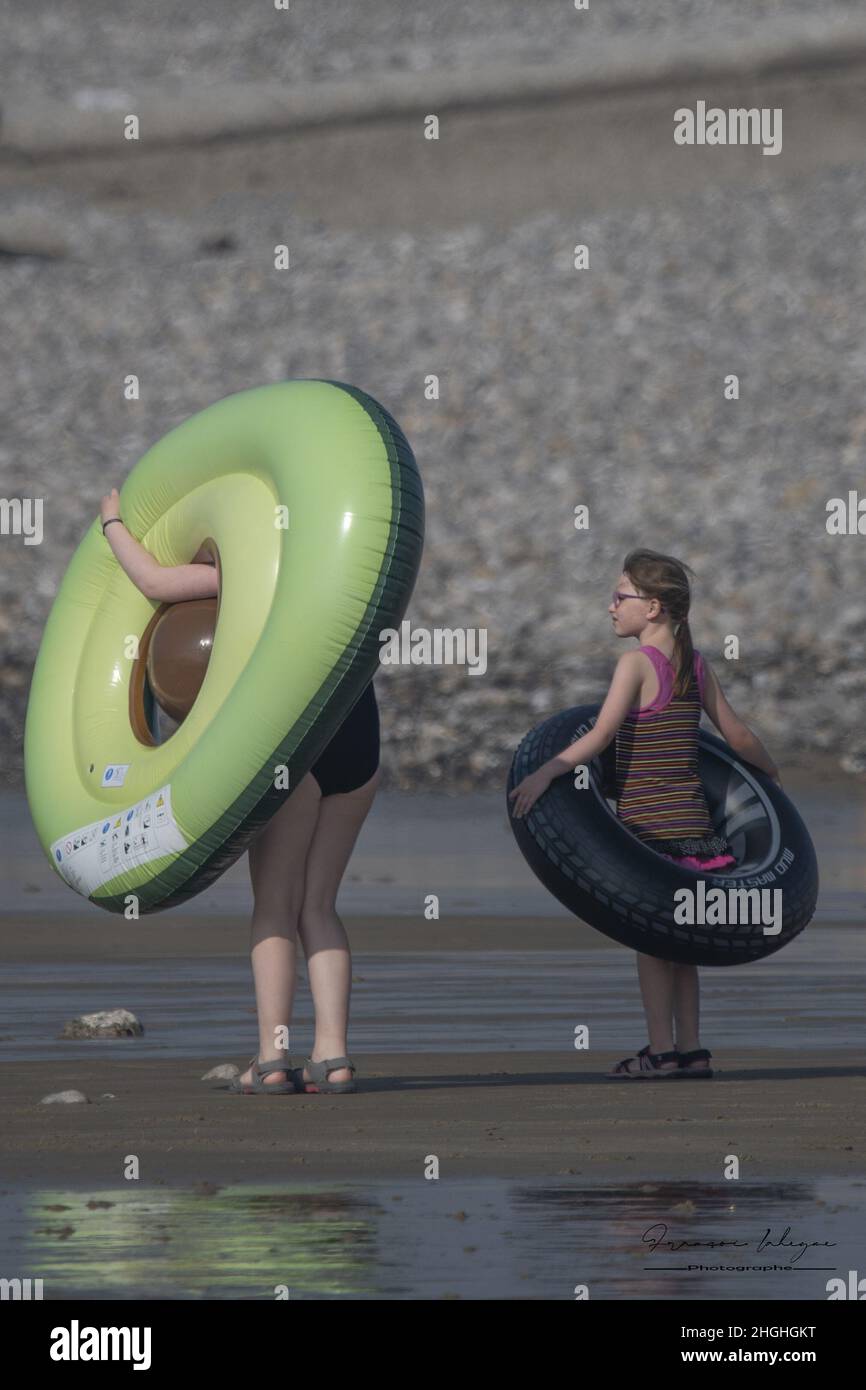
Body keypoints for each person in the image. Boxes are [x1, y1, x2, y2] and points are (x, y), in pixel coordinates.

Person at [99, 487, 380, 1095]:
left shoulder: (245, 571)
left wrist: (112, 522)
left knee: (276, 906)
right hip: (360, 745)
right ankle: (334, 1057)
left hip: (292, 751)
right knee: (320, 906)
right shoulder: (340, 566)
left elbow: (151, 581)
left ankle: (273, 1060)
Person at [509, 547, 781, 1081]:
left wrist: (546, 772)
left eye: (620, 597)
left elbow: (601, 735)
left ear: (653, 607)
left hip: (649, 831)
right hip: (700, 835)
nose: (610, 607)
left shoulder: (635, 664)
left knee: (652, 943)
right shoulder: (695, 666)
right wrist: (772, 778)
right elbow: (739, 735)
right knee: (684, 945)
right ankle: (693, 1049)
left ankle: (660, 1052)